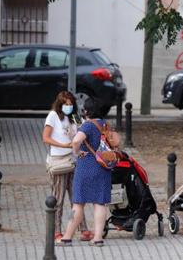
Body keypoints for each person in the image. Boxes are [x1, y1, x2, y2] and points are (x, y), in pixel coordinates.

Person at [57, 98, 111, 247]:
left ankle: (67, 237)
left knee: (78, 204)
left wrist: (77, 152)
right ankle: (98, 238)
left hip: (86, 167)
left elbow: (76, 141)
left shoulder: (87, 126)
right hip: (103, 167)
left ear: (86, 111)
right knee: (100, 203)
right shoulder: (104, 124)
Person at [42, 91, 93, 242]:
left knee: (77, 198)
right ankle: (56, 230)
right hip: (59, 160)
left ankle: (82, 228)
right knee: (58, 198)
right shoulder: (53, 116)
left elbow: (83, 132)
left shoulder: (74, 117)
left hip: (74, 161)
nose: (68, 107)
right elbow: (46, 137)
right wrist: (63, 145)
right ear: (60, 104)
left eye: (71, 104)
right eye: (66, 104)